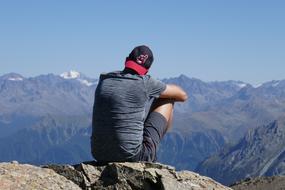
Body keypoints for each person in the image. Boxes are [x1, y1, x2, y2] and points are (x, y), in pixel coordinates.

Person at [91, 45, 188, 162]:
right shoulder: (145, 82)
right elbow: (182, 95)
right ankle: (151, 150)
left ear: (126, 60)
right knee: (168, 98)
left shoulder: (104, 80)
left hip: (98, 154)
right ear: (147, 70)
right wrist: (156, 86)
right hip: (132, 156)